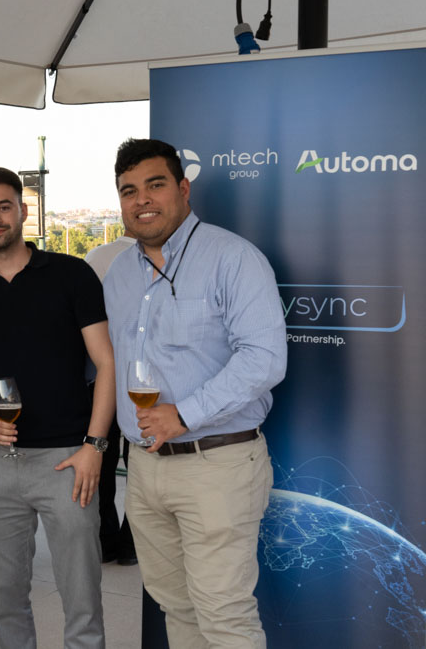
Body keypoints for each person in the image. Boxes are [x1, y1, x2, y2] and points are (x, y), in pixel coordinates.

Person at [103, 138, 286, 648]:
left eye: (155, 185)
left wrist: (183, 413)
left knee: (224, 617)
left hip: (217, 464)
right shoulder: (118, 274)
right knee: (176, 607)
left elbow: (264, 358)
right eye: (129, 191)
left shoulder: (234, 258)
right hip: (144, 467)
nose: (142, 200)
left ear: (183, 189)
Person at [0, 166, 112, 648]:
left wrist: (95, 446)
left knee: (83, 605)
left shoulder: (72, 275)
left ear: (22, 210)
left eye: (3, 207)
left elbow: (106, 363)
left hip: (68, 461)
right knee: (5, 603)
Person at [84, 231, 139, 566]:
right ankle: (132, 544)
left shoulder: (97, 257)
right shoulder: (172, 257)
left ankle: (106, 541)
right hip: (147, 381)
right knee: (140, 463)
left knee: (101, 458)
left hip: (102, 376)